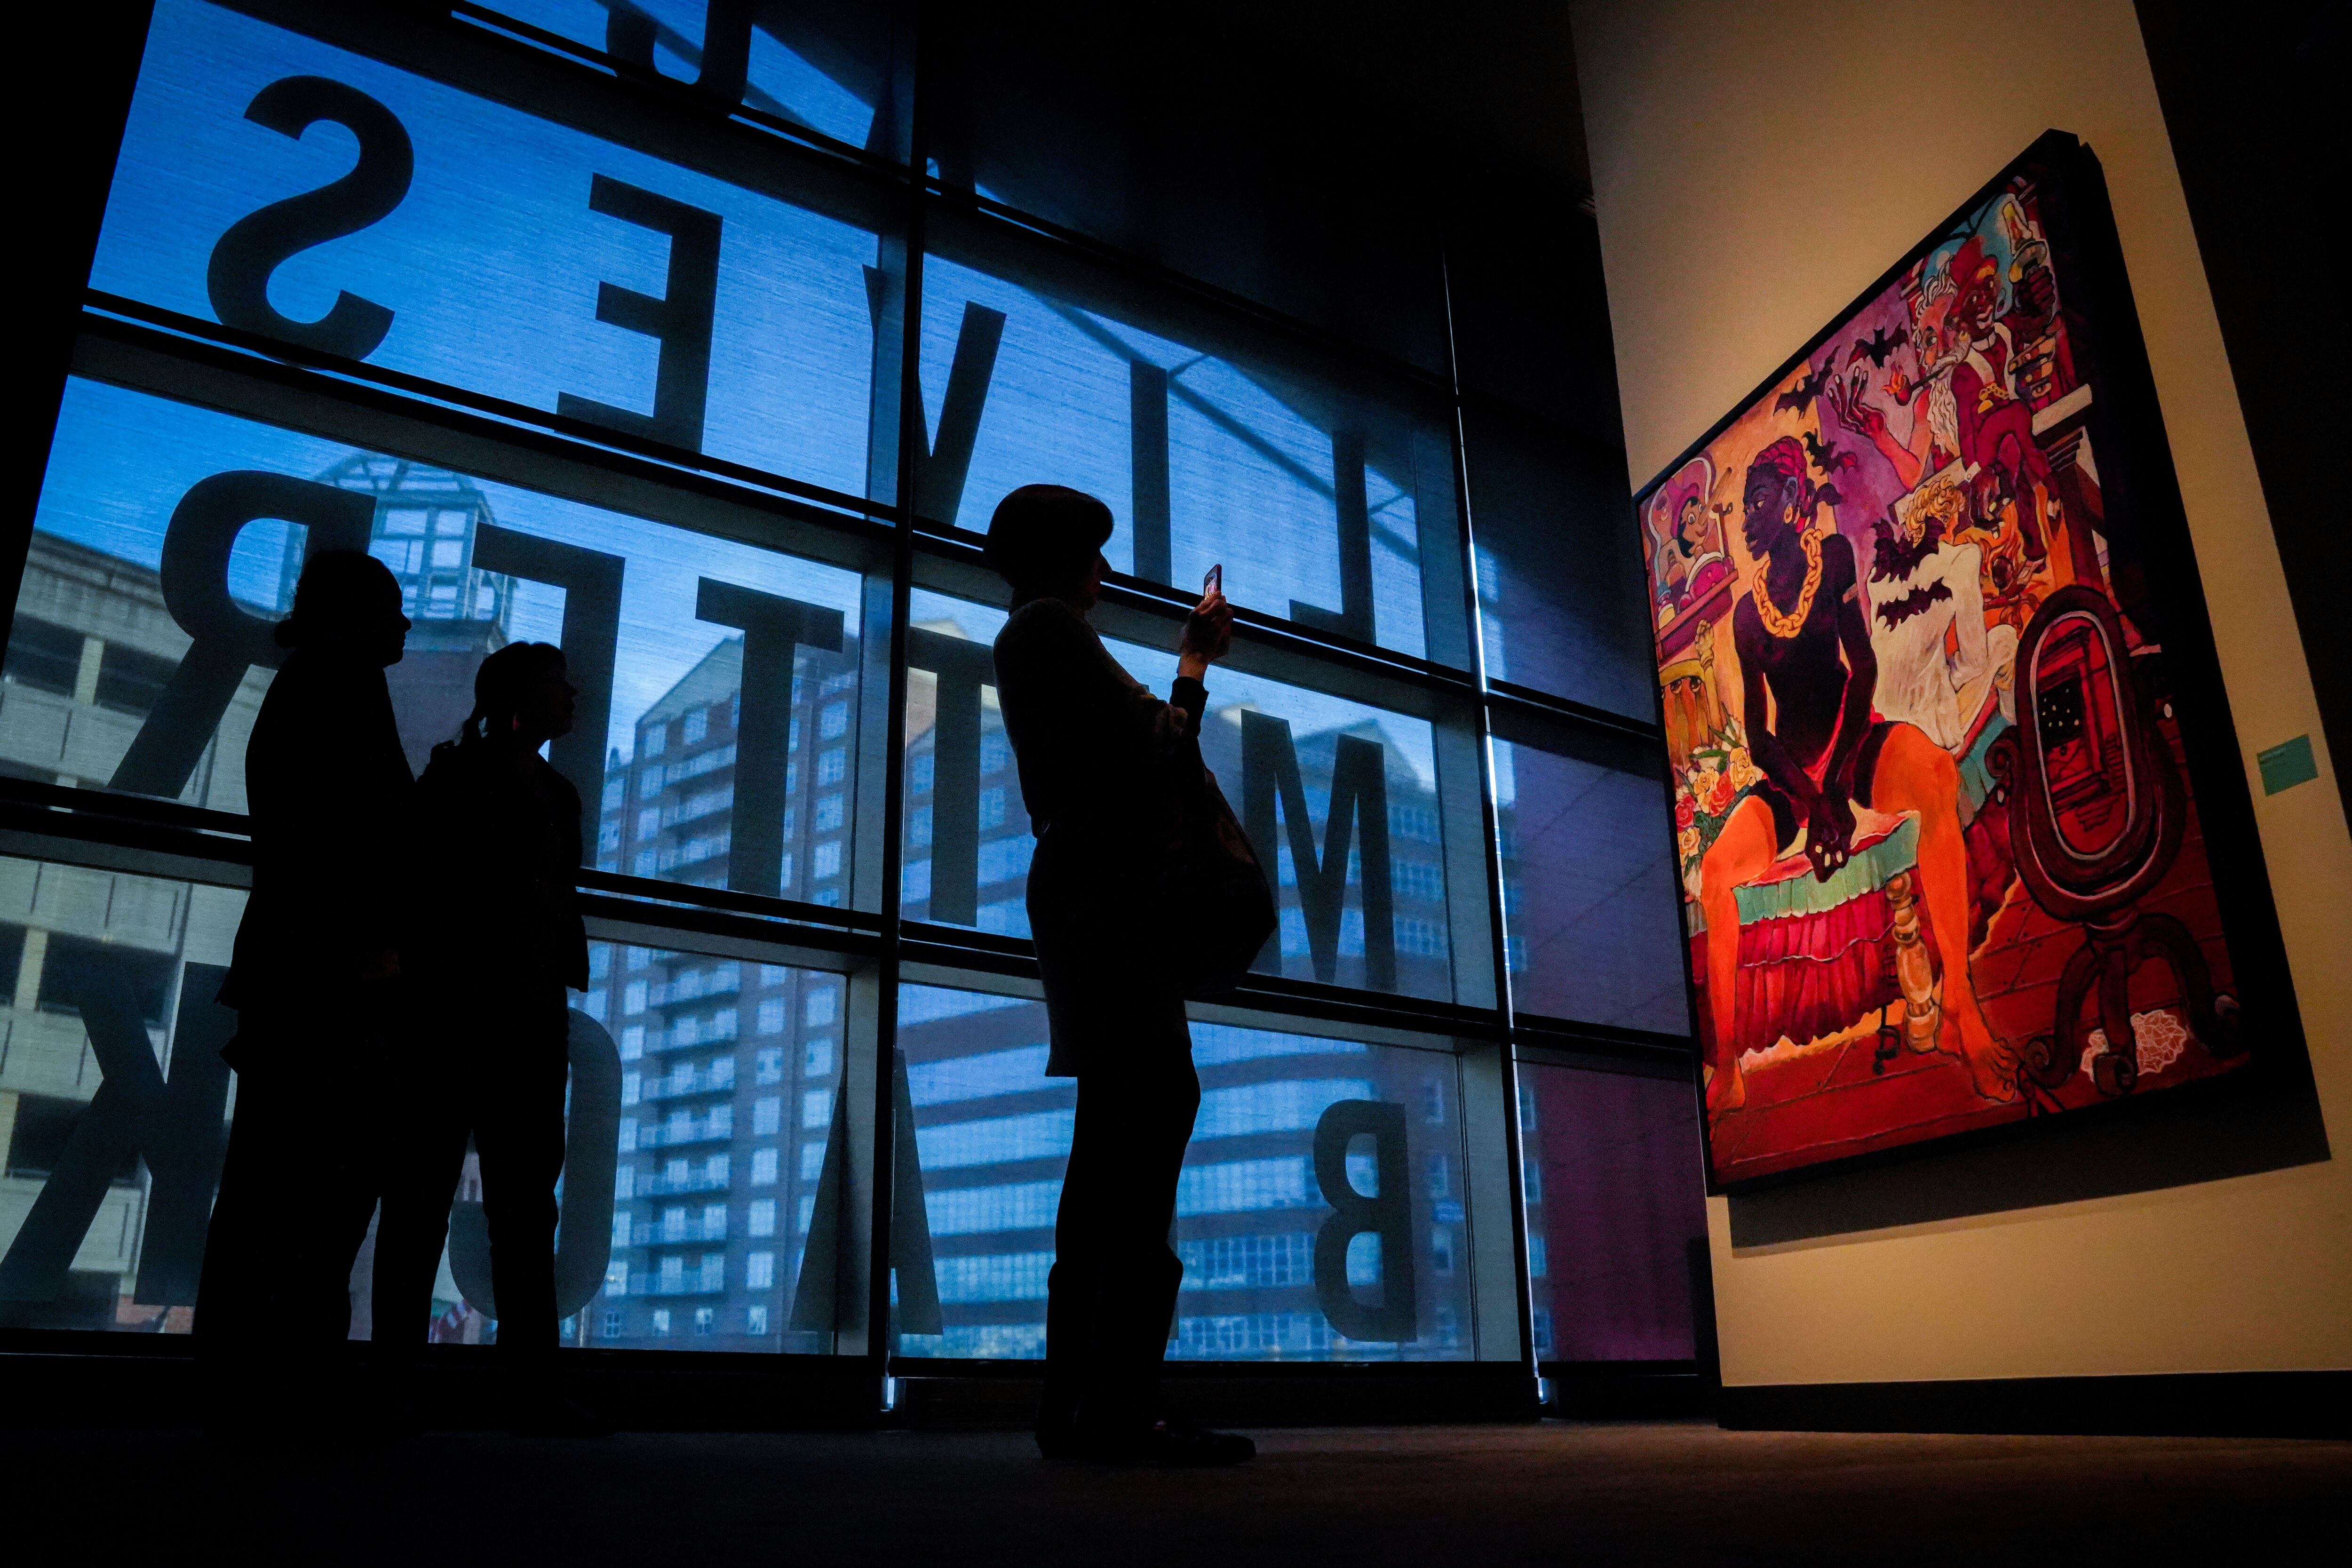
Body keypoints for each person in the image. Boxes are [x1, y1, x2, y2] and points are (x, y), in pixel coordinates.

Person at [985, 484, 1253, 1467]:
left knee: (1111, 1138)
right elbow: (1161, 744)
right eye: (1092, 551)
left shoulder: (1027, 638)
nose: (1103, 568)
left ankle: (1080, 1403)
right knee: (1146, 1122)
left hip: (1083, 893)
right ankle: (1117, 1407)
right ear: (1060, 558)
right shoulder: (1048, 628)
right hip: (1106, 898)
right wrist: (1193, 662)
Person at [1695, 439, 2015, 1120]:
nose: (1747, 520)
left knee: (1937, 775)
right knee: (1714, 872)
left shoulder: (1834, 558)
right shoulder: (1746, 616)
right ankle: (1727, 1066)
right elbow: (1759, 737)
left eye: (1759, 502)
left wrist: (1840, 784)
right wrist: (1813, 802)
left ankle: (1960, 1007)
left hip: (1853, 742)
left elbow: (1862, 667)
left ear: (1793, 501)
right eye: (1744, 507)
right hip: (1792, 780)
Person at [197, 550, 414, 1420]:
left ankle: (255, 1381)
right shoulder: (340, 687)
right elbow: (340, 837)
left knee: (277, 1189)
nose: (405, 623)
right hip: (329, 983)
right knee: (315, 1192)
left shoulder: (313, 684)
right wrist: (370, 951)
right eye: (393, 607)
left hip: (301, 975)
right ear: (357, 615)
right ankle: (288, 1385)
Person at [370, 641, 607, 1437]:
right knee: (494, 1206)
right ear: (520, 696)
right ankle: (521, 1390)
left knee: (449, 1202)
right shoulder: (523, 788)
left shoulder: (485, 779)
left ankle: (405, 1387)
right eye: (558, 684)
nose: (571, 695)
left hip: (491, 1013)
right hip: (485, 1011)